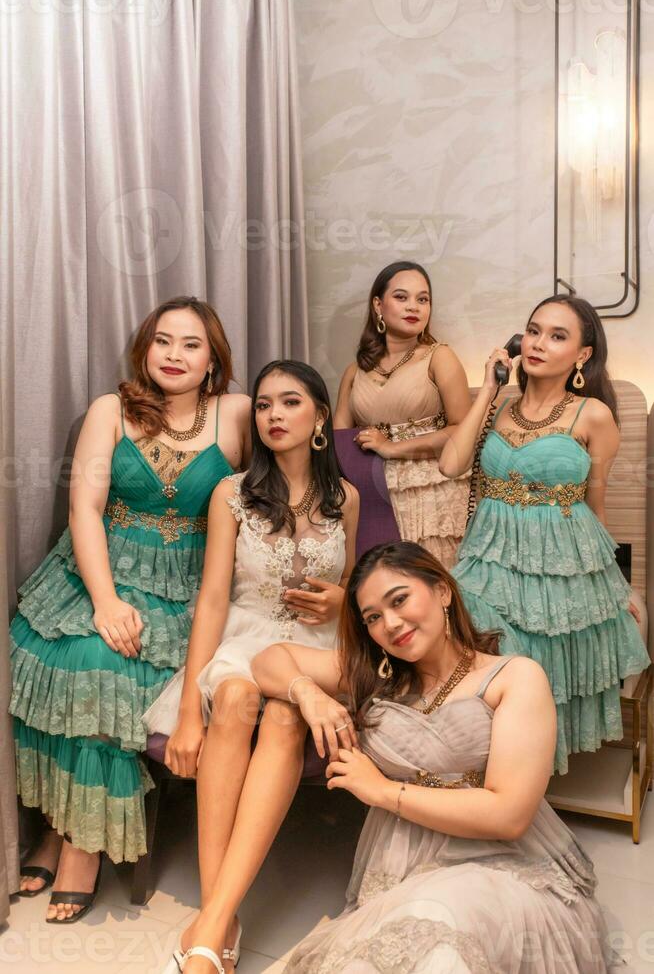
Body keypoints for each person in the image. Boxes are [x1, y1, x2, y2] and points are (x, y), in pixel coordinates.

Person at [251, 542, 616, 973]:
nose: (390, 623)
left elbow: (508, 814)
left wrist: (383, 791)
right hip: (403, 869)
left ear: (442, 591)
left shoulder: (513, 677)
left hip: (500, 865)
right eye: (372, 618)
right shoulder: (374, 678)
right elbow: (268, 659)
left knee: (444, 945)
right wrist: (308, 694)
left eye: (400, 599)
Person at [10, 295, 250, 922]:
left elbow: (272, 496)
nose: (175, 355)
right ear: (145, 350)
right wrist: (107, 600)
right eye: (162, 341)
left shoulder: (238, 413)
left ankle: (77, 848)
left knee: (118, 675)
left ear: (213, 359)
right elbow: (83, 509)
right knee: (69, 655)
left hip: (184, 587)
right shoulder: (110, 410)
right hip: (100, 572)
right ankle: (64, 831)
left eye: (191, 344)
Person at [145, 360, 359, 974]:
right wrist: (190, 710)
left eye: (289, 403)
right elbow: (213, 598)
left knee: (288, 718)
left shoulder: (348, 498)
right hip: (241, 638)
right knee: (236, 698)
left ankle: (211, 923)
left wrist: (342, 598)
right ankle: (223, 917)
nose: (273, 416)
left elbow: (358, 592)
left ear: (319, 416)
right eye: (263, 405)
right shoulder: (231, 493)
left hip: (314, 647)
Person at [439, 294, 649, 774]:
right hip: (488, 562)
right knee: (479, 656)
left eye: (558, 336)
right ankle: (473, 780)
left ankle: (518, 789)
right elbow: (451, 464)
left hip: (558, 572)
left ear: (582, 356)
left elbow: (594, 508)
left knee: (532, 673)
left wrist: (617, 587)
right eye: (533, 331)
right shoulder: (498, 407)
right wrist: (488, 393)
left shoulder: (593, 415)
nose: (538, 343)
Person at [334, 260, 471, 569]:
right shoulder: (354, 372)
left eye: (423, 299)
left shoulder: (440, 357)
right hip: (368, 492)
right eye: (401, 297)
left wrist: (392, 448)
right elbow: (339, 445)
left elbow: (463, 431)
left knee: (426, 585)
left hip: (429, 492)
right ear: (378, 305)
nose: (414, 307)